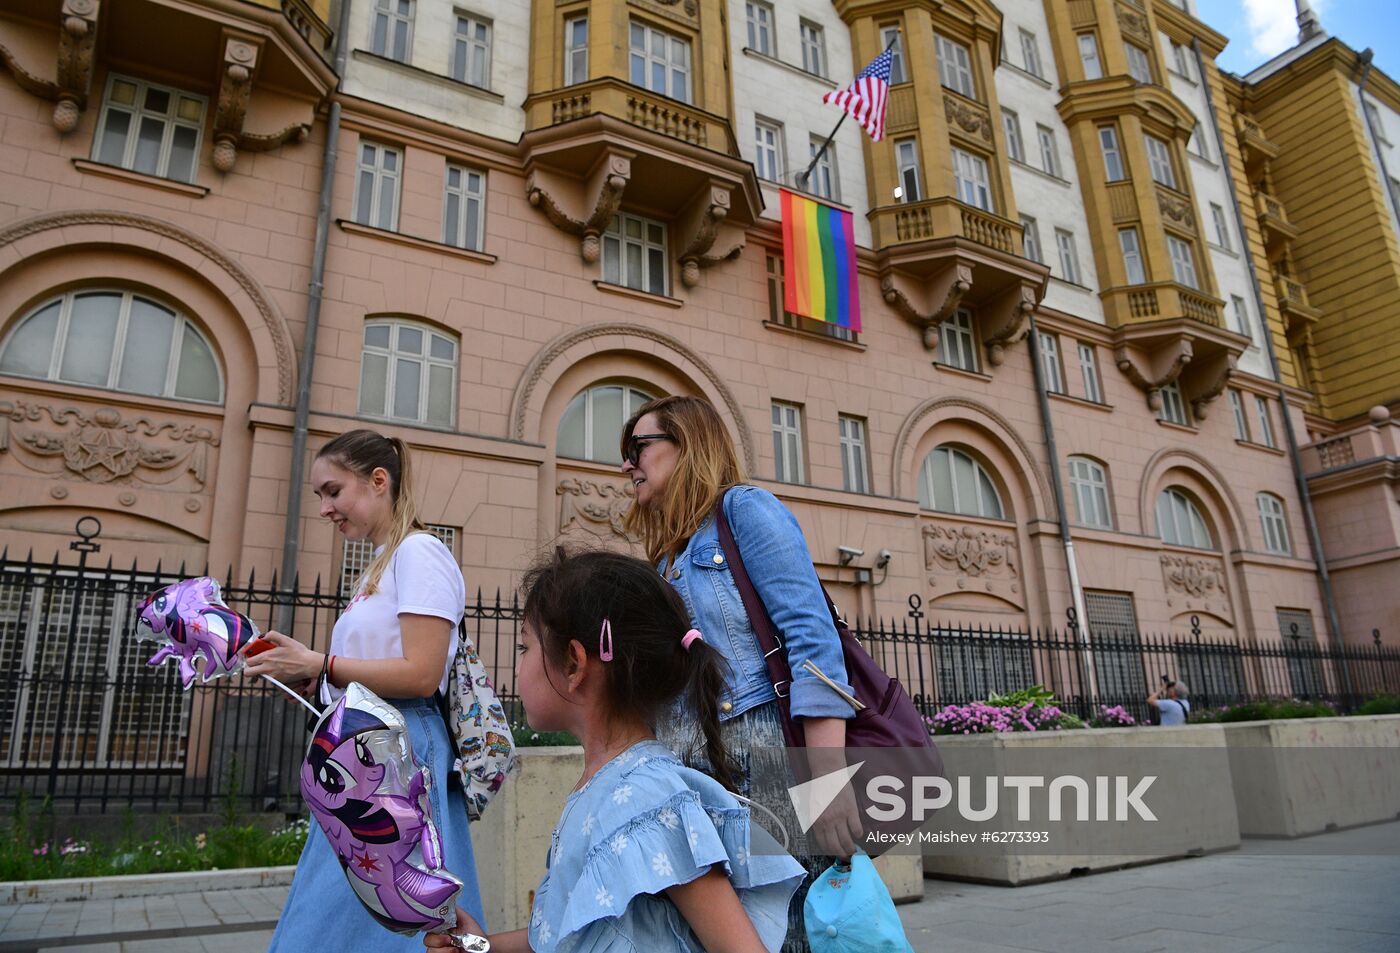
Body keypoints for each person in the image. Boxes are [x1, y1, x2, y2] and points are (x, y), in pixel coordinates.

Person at [426, 548, 805, 953]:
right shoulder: (608, 785)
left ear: (574, 664)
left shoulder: (649, 797)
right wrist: (480, 946)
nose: (520, 663)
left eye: (525, 648)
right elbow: (569, 935)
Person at [619, 395, 861, 953]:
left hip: (763, 772)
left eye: (639, 448)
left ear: (688, 444)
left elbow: (813, 639)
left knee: (787, 935)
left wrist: (827, 785)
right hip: (692, 779)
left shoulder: (744, 510)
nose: (627, 465)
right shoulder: (666, 558)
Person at [245, 428, 486, 951]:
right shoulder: (383, 562)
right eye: (319, 496)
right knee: (351, 912)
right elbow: (374, 668)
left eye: (333, 491)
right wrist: (311, 672)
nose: (326, 507)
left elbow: (422, 673)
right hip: (368, 751)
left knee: (358, 914)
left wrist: (324, 663)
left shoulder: (419, 552)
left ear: (379, 481)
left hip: (394, 754)